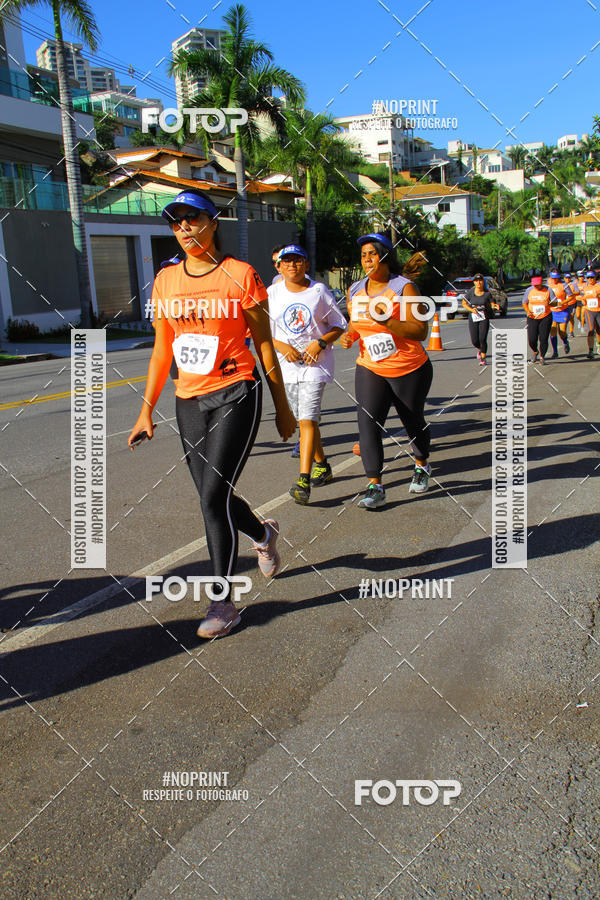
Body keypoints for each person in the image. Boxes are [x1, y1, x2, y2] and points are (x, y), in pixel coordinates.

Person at [128, 189, 296, 639]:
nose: (184, 229)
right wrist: (146, 410)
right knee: (212, 493)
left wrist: (283, 408)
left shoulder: (240, 275)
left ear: (213, 222)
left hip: (236, 390)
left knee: (209, 498)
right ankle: (262, 533)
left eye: (192, 219)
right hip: (188, 398)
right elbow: (163, 347)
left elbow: (263, 344)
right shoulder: (165, 281)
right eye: (175, 222)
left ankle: (223, 604)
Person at [340, 232, 433, 509]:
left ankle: (421, 465)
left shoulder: (404, 288)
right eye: (363, 254)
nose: (367, 259)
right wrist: (350, 336)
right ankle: (375, 486)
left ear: (384, 256)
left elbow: (420, 330)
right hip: (370, 366)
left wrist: (388, 321)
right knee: (368, 424)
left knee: (412, 420)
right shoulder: (355, 289)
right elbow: (356, 323)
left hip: (409, 367)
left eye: (372, 253)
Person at [268, 244, 347, 504]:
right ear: (279, 266)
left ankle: (303, 480)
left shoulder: (318, 292)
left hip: (316, 365)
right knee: (305, 420)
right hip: (287, 366)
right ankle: (322, 464)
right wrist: (282, 347)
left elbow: (338, 325)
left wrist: (320, 343)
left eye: (298, 260)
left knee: (307, 419)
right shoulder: (272, 294)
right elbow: (262, 331)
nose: (292, 265)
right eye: (286, 261)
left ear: (306, 264)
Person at [461, 273, 499, 366]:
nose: (478, 282)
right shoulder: (471, 292)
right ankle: (480, 349)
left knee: (482, 339)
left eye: (480, 280)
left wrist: (495, 306)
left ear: (483, 282)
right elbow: (464, 303)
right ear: (474, 282)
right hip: (473, 318)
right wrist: (471, 310)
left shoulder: (487, 294)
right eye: (476, 281)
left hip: (483, 317)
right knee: (475, 341)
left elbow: (491, 304)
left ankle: (483, 358)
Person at [522, 275, 556, 365]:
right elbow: (524, 302)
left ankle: (542, 357)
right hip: (532, 317)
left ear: (541, 283)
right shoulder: (529, 290)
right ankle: (535, 351)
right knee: (532, 339)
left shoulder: (548, 290)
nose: (536, 286)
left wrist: (551, 303)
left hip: (545, 316)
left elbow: (555, 302)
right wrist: (528, 311)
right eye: (534, 285)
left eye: (538, 284)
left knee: (543, 338)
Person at [547, 270, 572, 358]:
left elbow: (571, 296)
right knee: (552, 331)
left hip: (563, 310)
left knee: (562, 331)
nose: (554, 280)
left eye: (556, 278)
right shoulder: (548, 285)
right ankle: (555, 352)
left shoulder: (564, 285)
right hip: (552, 311)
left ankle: (565, 342)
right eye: (553, 278)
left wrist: (563, 302)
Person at [582, 269, 600, 359]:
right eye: (588, 277)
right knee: (591, 330)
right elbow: (583, 299)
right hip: (589, 311)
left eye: (592, 277)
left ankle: (599, 346)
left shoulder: (598, 286)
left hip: (599, 311)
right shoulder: (585, 288)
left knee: (599, 331)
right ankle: (591, 351)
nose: (590, 279)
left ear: (595, 277)